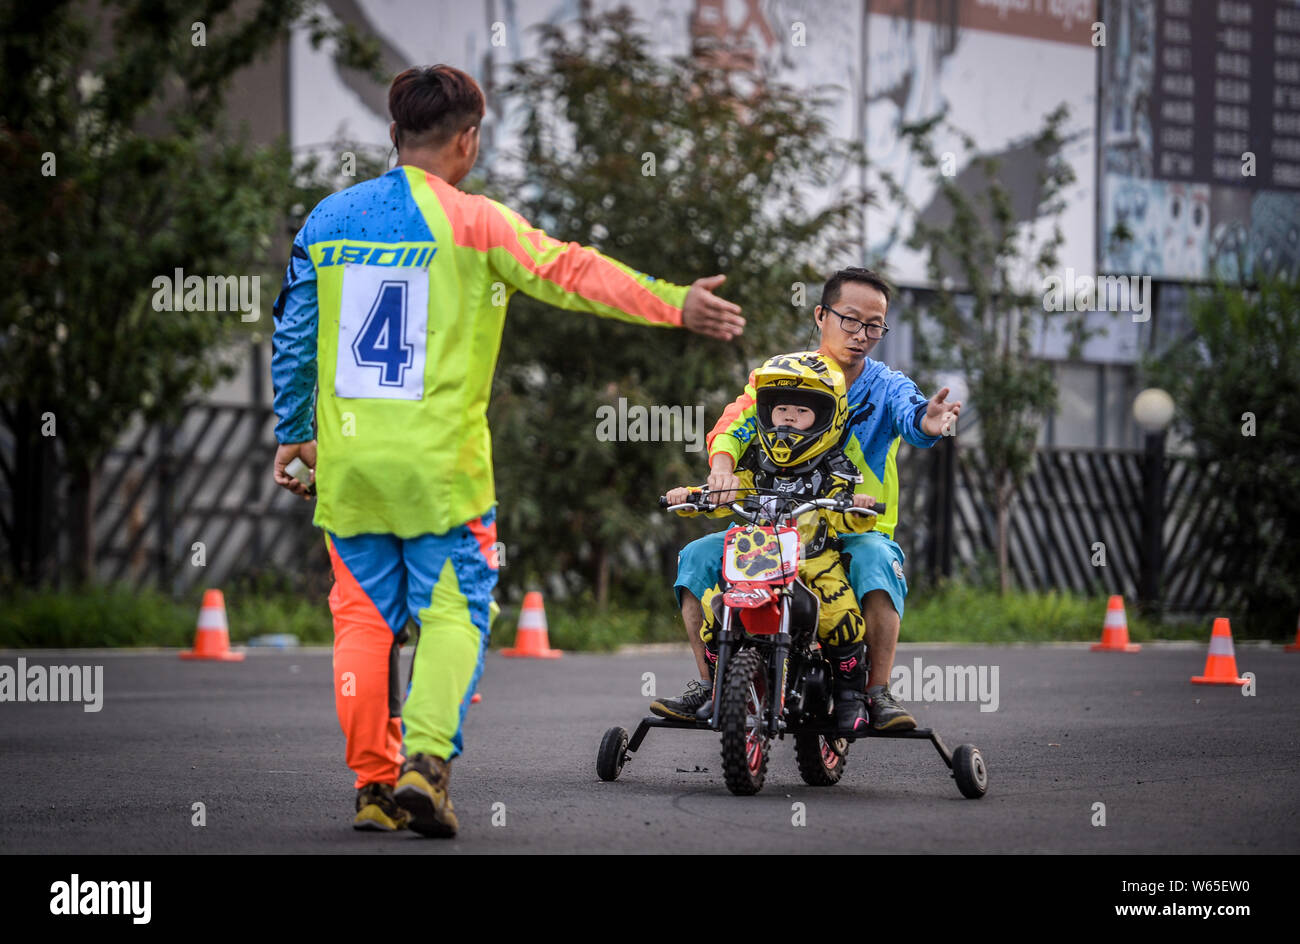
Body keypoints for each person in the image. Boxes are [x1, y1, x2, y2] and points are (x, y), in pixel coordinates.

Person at [270, 65, 745, 837]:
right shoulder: (477, 222)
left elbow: (291, 331)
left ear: (393, 136)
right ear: (468, 140)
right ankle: (425, 765)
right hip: (443, 475)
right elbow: (572, 272)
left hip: (351, 467)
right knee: (455, 610)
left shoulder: (328, 220)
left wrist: (296, 433)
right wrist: (674, 303)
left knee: (361, 623)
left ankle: (372, 787)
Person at [651, 266, 960, 731]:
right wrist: (721, 469)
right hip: (772, 527)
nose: (862, 335)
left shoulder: (886, 385)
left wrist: (928, 421)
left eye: (875, 325)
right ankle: (713, 684)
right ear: (821, 315)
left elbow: (913, 414)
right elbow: (734, 424)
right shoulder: (779, 377)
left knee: (877, 561)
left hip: (854, 528)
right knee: (695, 558)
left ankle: (875, 692)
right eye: (850, 320)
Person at [664, 351, 880, 734]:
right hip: (755, 556)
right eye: (782, 409)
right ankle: (720, 687)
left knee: (841, 619)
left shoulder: (834, 466)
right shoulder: (755, 460)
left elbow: (845, 511)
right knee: (717, 615)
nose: (789, 418)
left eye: (802, 411)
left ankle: (851, 698)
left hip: (813, 559)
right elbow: (725, 494)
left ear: (827, 418)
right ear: (767, 413)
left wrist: (857, 508)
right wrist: (692, 497)